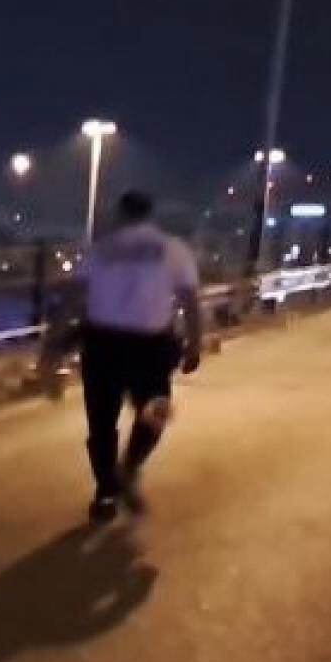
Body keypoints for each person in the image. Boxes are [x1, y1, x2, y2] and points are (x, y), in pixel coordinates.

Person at [71, 190, 203, 521]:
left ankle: (105, 492)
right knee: (155, 414)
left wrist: (51, 346)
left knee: (101, 423)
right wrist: (194, 344)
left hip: (102, 345)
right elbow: (190, 301)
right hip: (151, 347)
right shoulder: (173, 249)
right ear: (149, 214)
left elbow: (73, 297)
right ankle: (130, 467)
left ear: (121, 213)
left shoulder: (100, 249)